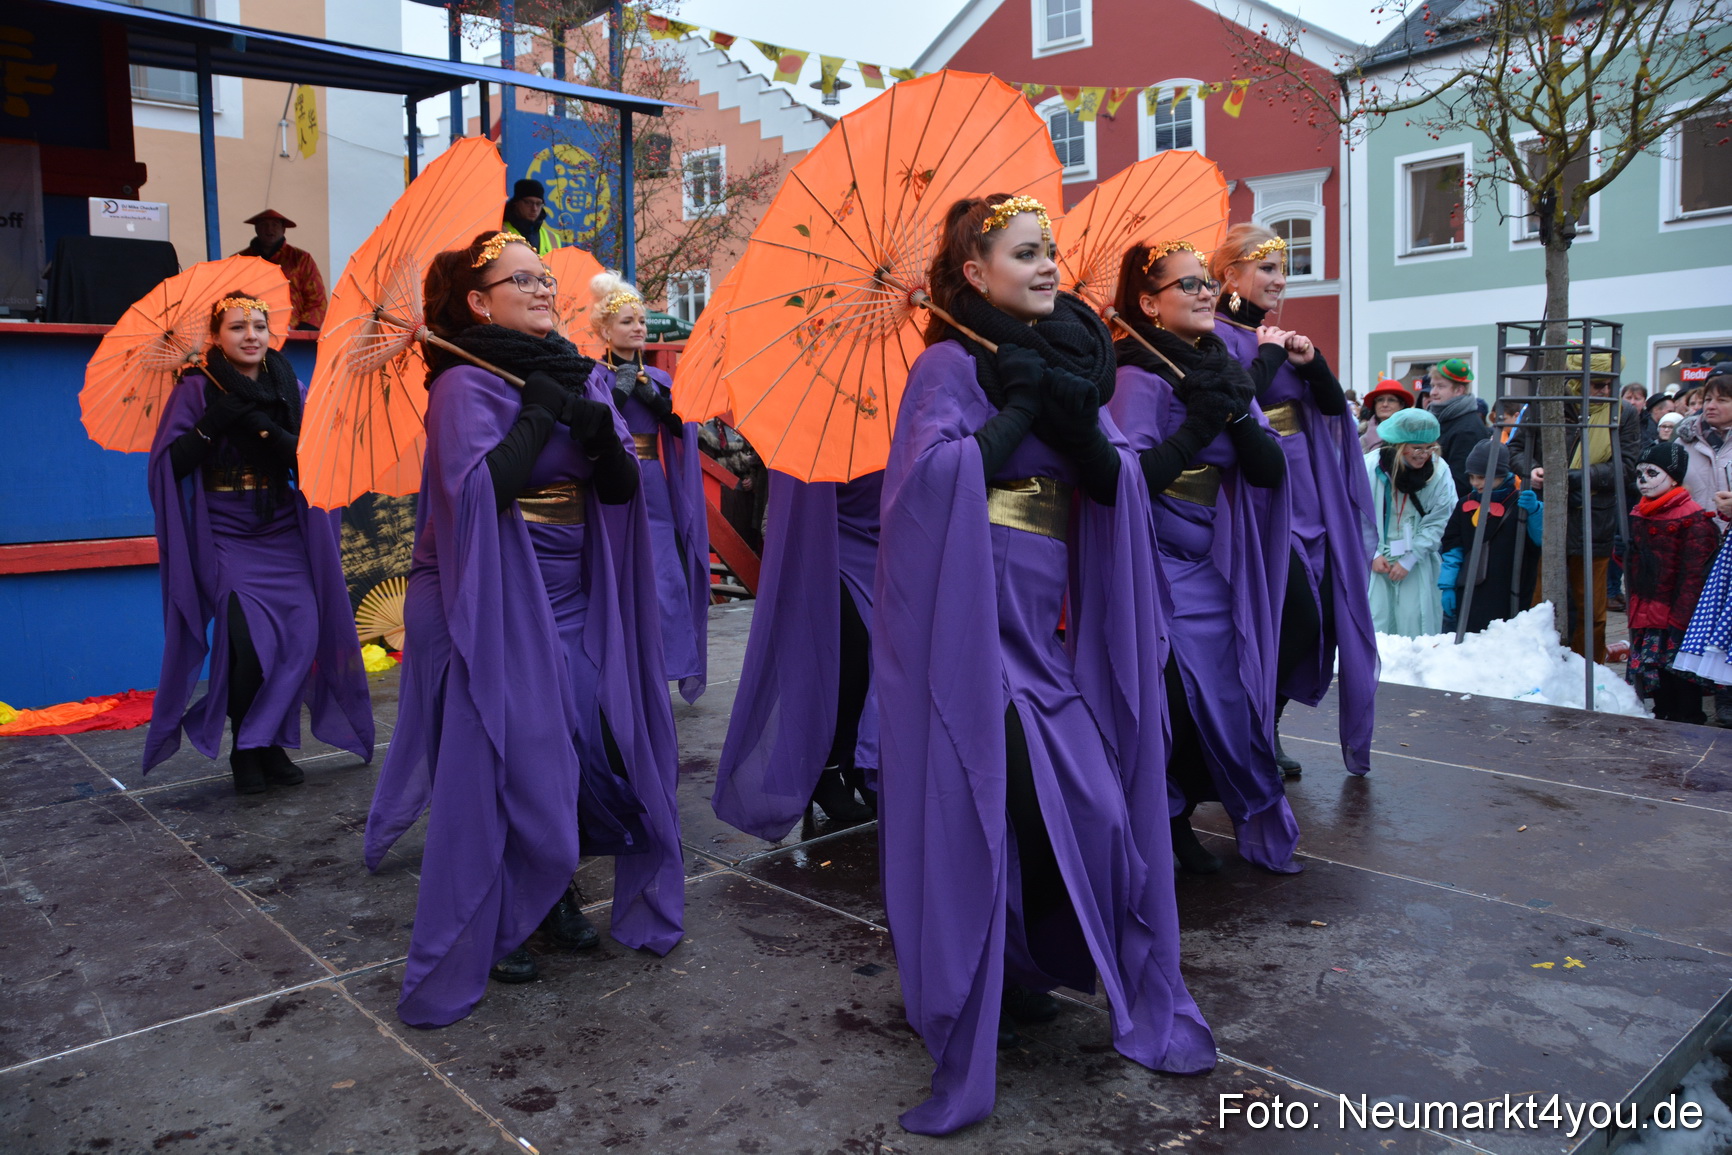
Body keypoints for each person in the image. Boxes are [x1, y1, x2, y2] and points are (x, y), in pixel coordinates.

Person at [876, 193, 1214, 1135]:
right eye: (1025, 252)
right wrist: (1011, 407)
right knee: (995, 802)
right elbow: (925, 490)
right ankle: (977, 982)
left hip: (1045, 633)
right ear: (973, 273)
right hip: (967, 629)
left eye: (1051, 249)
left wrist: (1062, 413)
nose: (1048, 264)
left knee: (1096, 814)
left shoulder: (1075, 363)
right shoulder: (946, 364)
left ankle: (1022, 965)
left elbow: (1117, 491)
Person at [364, 232, 683, 1029]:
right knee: (507, 750)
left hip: (571, 587)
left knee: (581, 736)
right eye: (522, 280)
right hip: (484, 588)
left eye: (546, 278)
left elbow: (616, 491)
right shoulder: (463, 386)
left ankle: (553, 882)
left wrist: (597, 427)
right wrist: (538, 416)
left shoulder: (577, 369)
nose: (543, 289)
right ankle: (505, 908)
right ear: (478, 302)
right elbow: (478, 496)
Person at [1106, 239, 1299, 875]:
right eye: (1186, 286)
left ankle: (1182, 810)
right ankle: (1164, 819)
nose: (1204, 293)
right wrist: (1196, 424)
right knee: (1172, 699)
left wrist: (1233, 412)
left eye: (1204, 283)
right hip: (1150, 562)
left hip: (1205, 564)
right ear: (1148, 304)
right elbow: (1129, 477)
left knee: (1229, 693)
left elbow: (1269, 470)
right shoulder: (1136, 374)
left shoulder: (1218, 368)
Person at [144, 291, 372, 791]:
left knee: (299, 635)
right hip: (225, 529)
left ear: (272, 334)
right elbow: (168, 466)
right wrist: (213, 423)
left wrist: (267, 431)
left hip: (281, 527)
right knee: (248, 644)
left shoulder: (289, 384)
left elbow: (316, 456)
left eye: (258, 326)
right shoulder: (196, 389)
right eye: (237, 327)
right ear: (216, 337)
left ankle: (270, 741)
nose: (251, 336)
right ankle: (246, 747)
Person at [1211, 223, 1379, 777]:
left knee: (1320, 613)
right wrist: (1271, 356)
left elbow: (1332, 408)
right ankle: (1251, 726)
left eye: (1282, 269)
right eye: (1266, 268)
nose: (1279, 280)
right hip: (1259, 498)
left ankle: (1269, 725)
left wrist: (1312, 362)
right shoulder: (1214, 336)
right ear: (1230, 274)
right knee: (1291, 616)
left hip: (1308, 493)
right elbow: (1236, 407)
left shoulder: (1279, 337)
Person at [713, 470, 883, 836]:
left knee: (884, 653)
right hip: (829, 540)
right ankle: (823, 767)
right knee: (851, 647)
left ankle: (856, 757)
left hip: (885, 540)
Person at [589, 272, 708, 702]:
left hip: (653, 482)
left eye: (640, 320)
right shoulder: (593, 380)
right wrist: (618, 393)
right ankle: (625, 665)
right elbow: (593, 429)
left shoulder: (659, 380)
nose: (638, 327)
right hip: (617, 482)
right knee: (620, 571)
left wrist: (657, 403)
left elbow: (682, 430)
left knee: (665, 576)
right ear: (604, 331)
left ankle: (666, 662)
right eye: (626, 321)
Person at [1507, 350, 1640, 663]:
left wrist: (1571, 478)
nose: (1605, 392)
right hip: (1548, 519)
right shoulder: (1545, 403)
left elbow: (1626, 468)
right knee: (1543, 605)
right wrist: (1533, 469)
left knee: (1591, 609)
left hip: (1596, 520)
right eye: (1596, 385)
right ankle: (1541, 667)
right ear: (1575, 381)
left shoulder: (1624, 413)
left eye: (1609, 385)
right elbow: (1516, 448)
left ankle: (1588, 674)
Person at [1623, 442, 1720, 722]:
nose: (1642, 480)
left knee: (1681, 674)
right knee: (1655, 672)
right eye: (1639, 473)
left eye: (1652, 473)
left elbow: (1694, 576)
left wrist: (1681, 619)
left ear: (1675, 477)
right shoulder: (1641, 511)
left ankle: (1689, 721)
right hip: (1649, 609)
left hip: (1676, 617)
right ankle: (1664, 716)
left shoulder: (1693, 519)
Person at [1672, 368, 1732, 723]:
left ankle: (1726, 701)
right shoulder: (1686, 440)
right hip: (1693, 538)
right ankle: (1700, 693)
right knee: (1705, 621)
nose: (1711, 405)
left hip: (1726, 541)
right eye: (1708, 398)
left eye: (1722, 399)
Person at [1365, 408, 1457, 638]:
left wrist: (1411, 557)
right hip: (1374, 561)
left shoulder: (1440, 471)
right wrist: (1372, 553)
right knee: (1375, 620)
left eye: (1430, 448)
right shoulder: (1368, 467)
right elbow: (1354, 513)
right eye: (1417, 448)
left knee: (1415, 621)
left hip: (1417, 560)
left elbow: (1439, 519)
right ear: (1399, 444)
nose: (1424, 454)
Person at [1438, 439, 1544, 634]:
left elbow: (1540, 540)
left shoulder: (1521, 503)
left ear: (1501, 474)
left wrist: (1536, 511)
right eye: (1472, 477)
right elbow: (1453, 548)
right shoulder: (1464, 505)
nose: (1475, 483)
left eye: (1482, 477)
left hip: (1511, 589)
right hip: (1471, 589)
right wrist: (1448, 585)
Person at [236, 210, 327, 330]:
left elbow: (317, 299)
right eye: (264, 225)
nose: (269, 229)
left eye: (275, 225)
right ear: (256, 229)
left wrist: (305, 329)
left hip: (292, 329)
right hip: (250, 329)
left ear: (283, 229)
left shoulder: (301, 258)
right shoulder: (240, 260)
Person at [1427, 358, 1490, 497]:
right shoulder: (1441, 418)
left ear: (1459, 390)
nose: (1433, 392)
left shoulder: (1468, 429)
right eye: (1433, 386)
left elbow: (1461, 482)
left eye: (1440, 386)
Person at [1359, 376, 1415, 452]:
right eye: (1380, 400)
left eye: (1391, 400)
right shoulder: (1360, 436)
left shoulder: (1413, 433)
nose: (1385, 404)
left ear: (1401, 405)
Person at [503, 178, 556, 256]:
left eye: (538, 204)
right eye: (528, 202)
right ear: (516, 203)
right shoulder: (501, 232)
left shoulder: (552, 238)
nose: (534, 208)